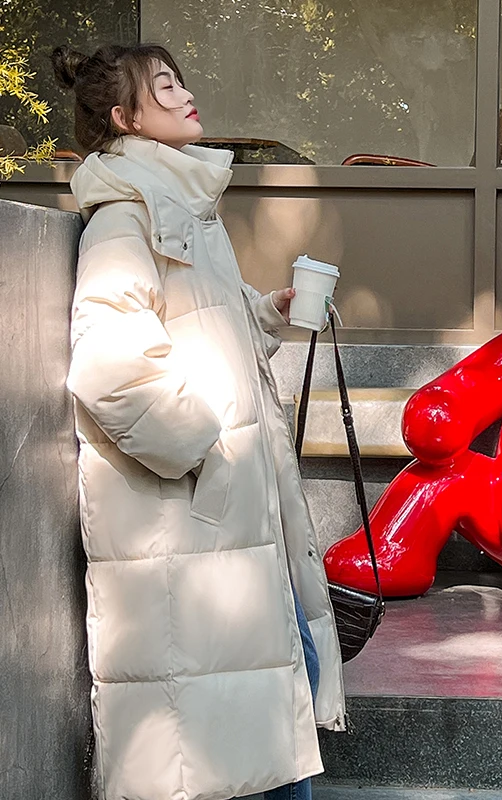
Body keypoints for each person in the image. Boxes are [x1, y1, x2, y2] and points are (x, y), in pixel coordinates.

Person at [51, 43, 345, 800]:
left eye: (182, 80)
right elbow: (110, 367)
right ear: (124, 118)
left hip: (225, 532)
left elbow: (198, 311)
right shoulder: (126, 213)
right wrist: (203, 447)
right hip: (192, 525)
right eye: (165, 86)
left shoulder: (182, 205)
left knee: (268, 726)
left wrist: (267, 311)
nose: (188, 96)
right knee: (236, 747)